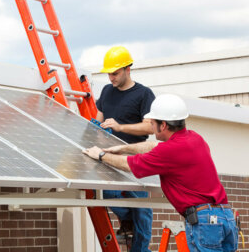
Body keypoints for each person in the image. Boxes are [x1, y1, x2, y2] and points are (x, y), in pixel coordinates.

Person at [84, 94, 238, 251]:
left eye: (152, 123)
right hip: (225, 218)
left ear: (163, 125)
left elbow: (129, 165)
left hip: (205, 222)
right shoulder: (195, 138)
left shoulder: (169, 151)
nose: (151, 126)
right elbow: (153, 146)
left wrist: (101, 155)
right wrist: (123, 148)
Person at [95, 46, 155, 252]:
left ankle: (140, 250)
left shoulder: (144, 94)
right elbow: (97, 120)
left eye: (115, 73)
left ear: (128, 69)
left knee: (142, 210)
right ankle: (128, 220)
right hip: (110, 156)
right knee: (108, 194)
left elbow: (150, 126)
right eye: (109, 73)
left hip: (135, 156)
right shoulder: (106, 91)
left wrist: (120, 127)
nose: (111, 77)